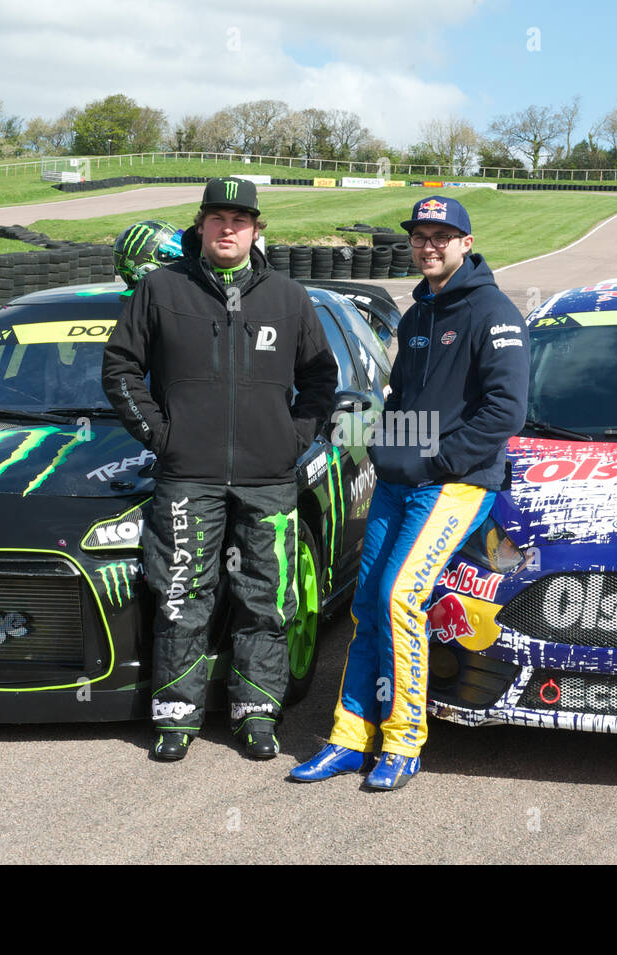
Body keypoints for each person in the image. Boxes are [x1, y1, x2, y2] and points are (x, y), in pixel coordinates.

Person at [290, 195, 529, 790]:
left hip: (454, 486)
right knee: (366, 604)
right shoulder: (418, 313)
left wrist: (439, 460)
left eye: (441, 236)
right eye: (420, 236)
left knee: (401, 599)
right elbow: (399, 402)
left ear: (465, 244)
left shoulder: (493, 310)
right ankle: (350, 738)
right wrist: (377, 446)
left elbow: (506, 411)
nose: (429, 245)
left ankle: (402, 743)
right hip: (399, 483)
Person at [102, 178, 339, 762]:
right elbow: (121, 368)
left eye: (240, 218)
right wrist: (162, 436)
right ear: (200, 225)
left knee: (267, 599)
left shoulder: (288, 297)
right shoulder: (160, 288)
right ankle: (175, 716)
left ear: (258, 229)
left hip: (269, 479)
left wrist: (292, 440)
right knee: (183, 593)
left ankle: (256, 712)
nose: (228, 227)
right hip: (188, 477)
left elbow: (319, 380)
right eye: (217, 217)